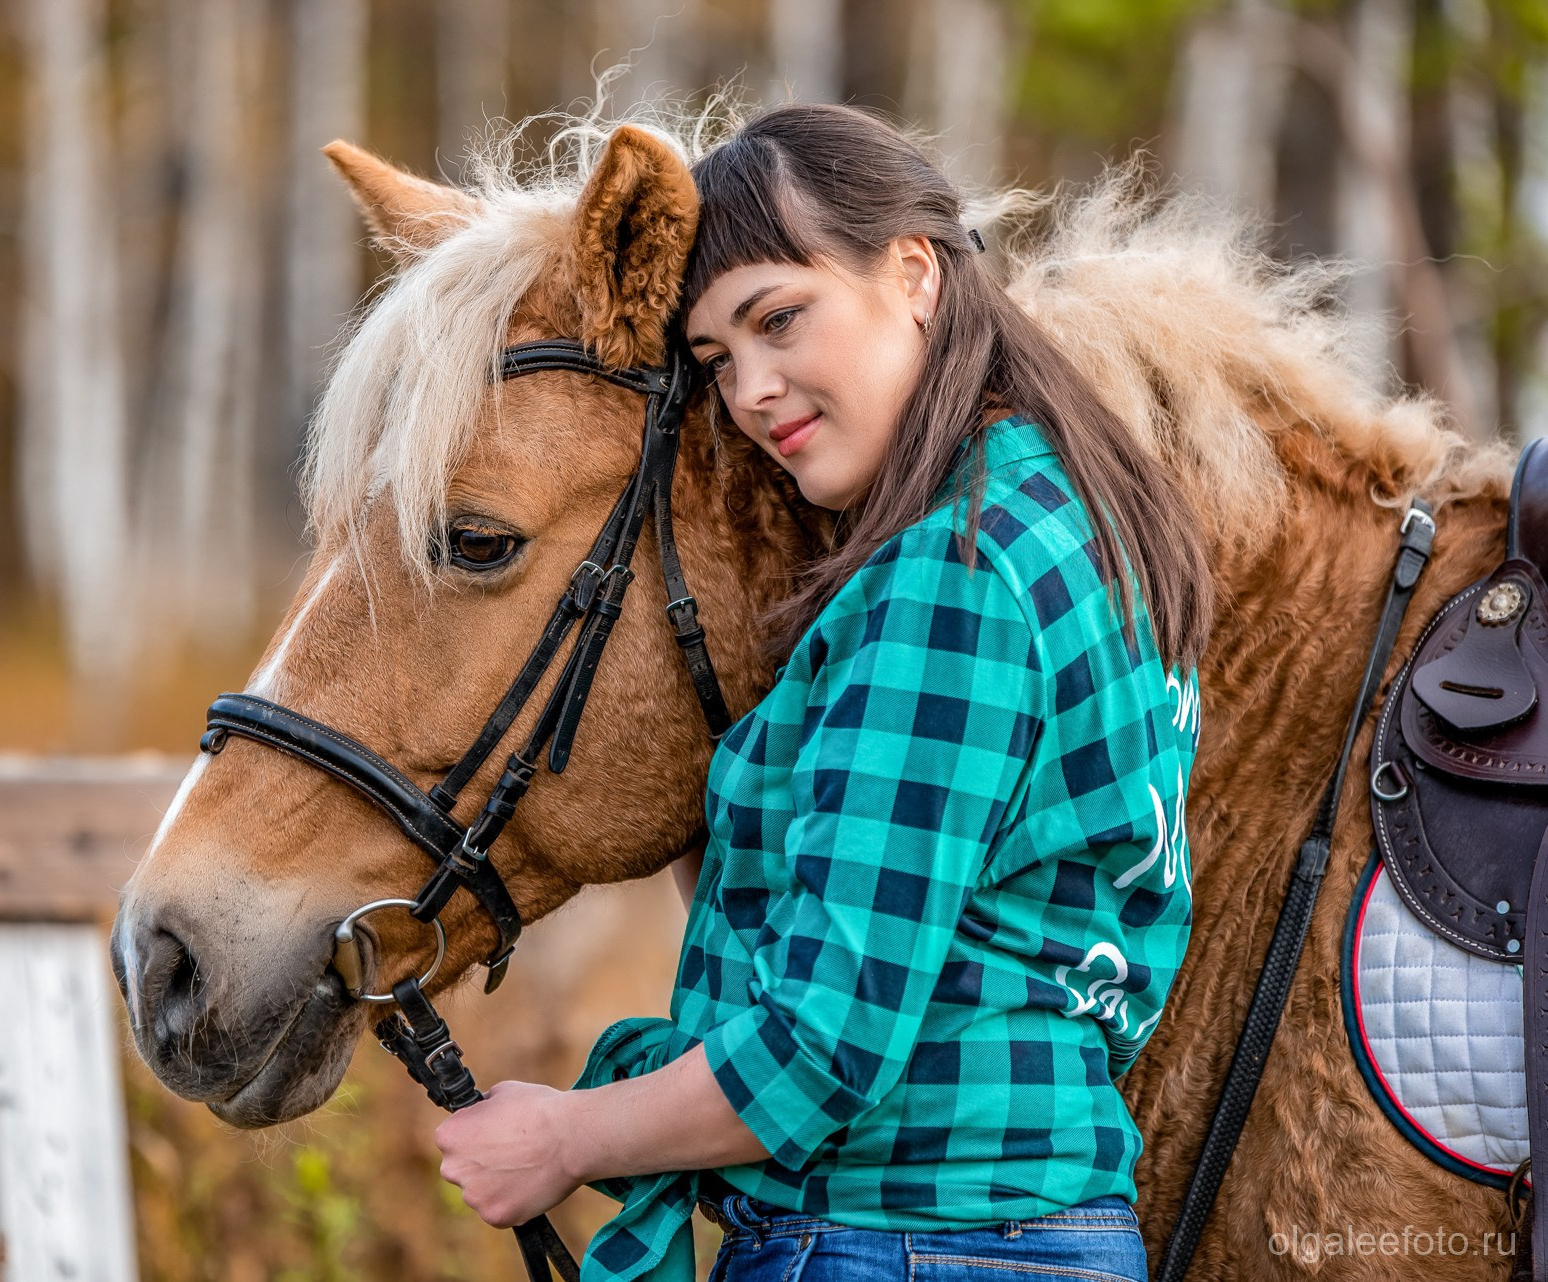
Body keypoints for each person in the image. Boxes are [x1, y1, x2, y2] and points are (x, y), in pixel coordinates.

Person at [433, 103, 1212, 1282]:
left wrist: (561, 1137)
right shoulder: (1073, 522)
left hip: (896, 1240)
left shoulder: (950, 578)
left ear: (912, 273)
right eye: (716, 360)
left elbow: (820, 1050)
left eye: (779, 319)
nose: (751, 389)